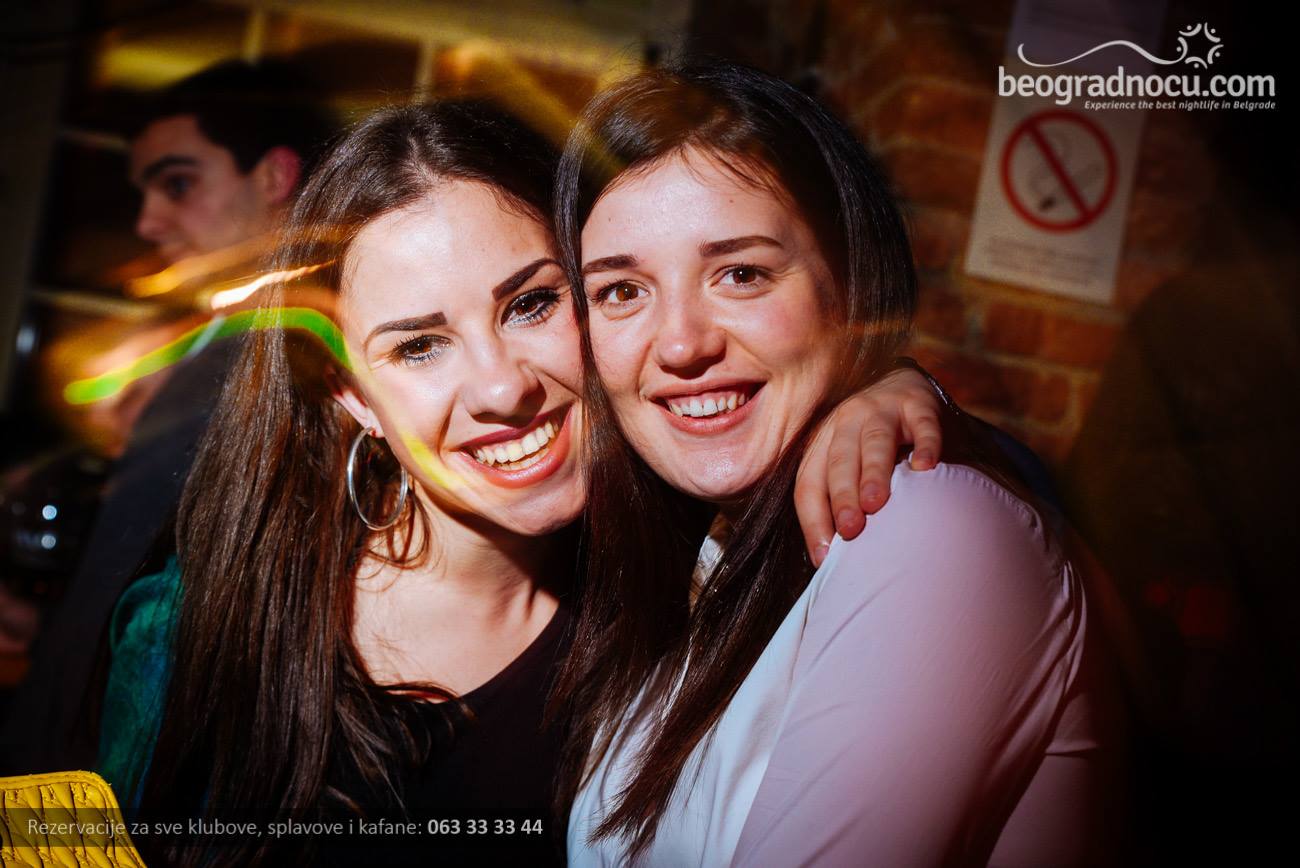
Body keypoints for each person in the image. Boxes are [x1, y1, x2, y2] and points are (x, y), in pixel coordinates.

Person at [97, 100, 946, 866]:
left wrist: (890, 389)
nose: (503, 389)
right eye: (419, 347)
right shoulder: (203, 617)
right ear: (352, 394)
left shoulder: (677, 581)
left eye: (531, 305)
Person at [557, 62, 1124, 866]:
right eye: (621, 291)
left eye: (742, 274)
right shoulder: (693, 562)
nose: (681, 344)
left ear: (850, 292)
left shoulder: (925, 532)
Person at [0, 59, 333, 774]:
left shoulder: (293, 358)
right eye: (145, 192)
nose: (147, 222)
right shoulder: (209, 343)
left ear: (274, 176)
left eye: (178, 183)